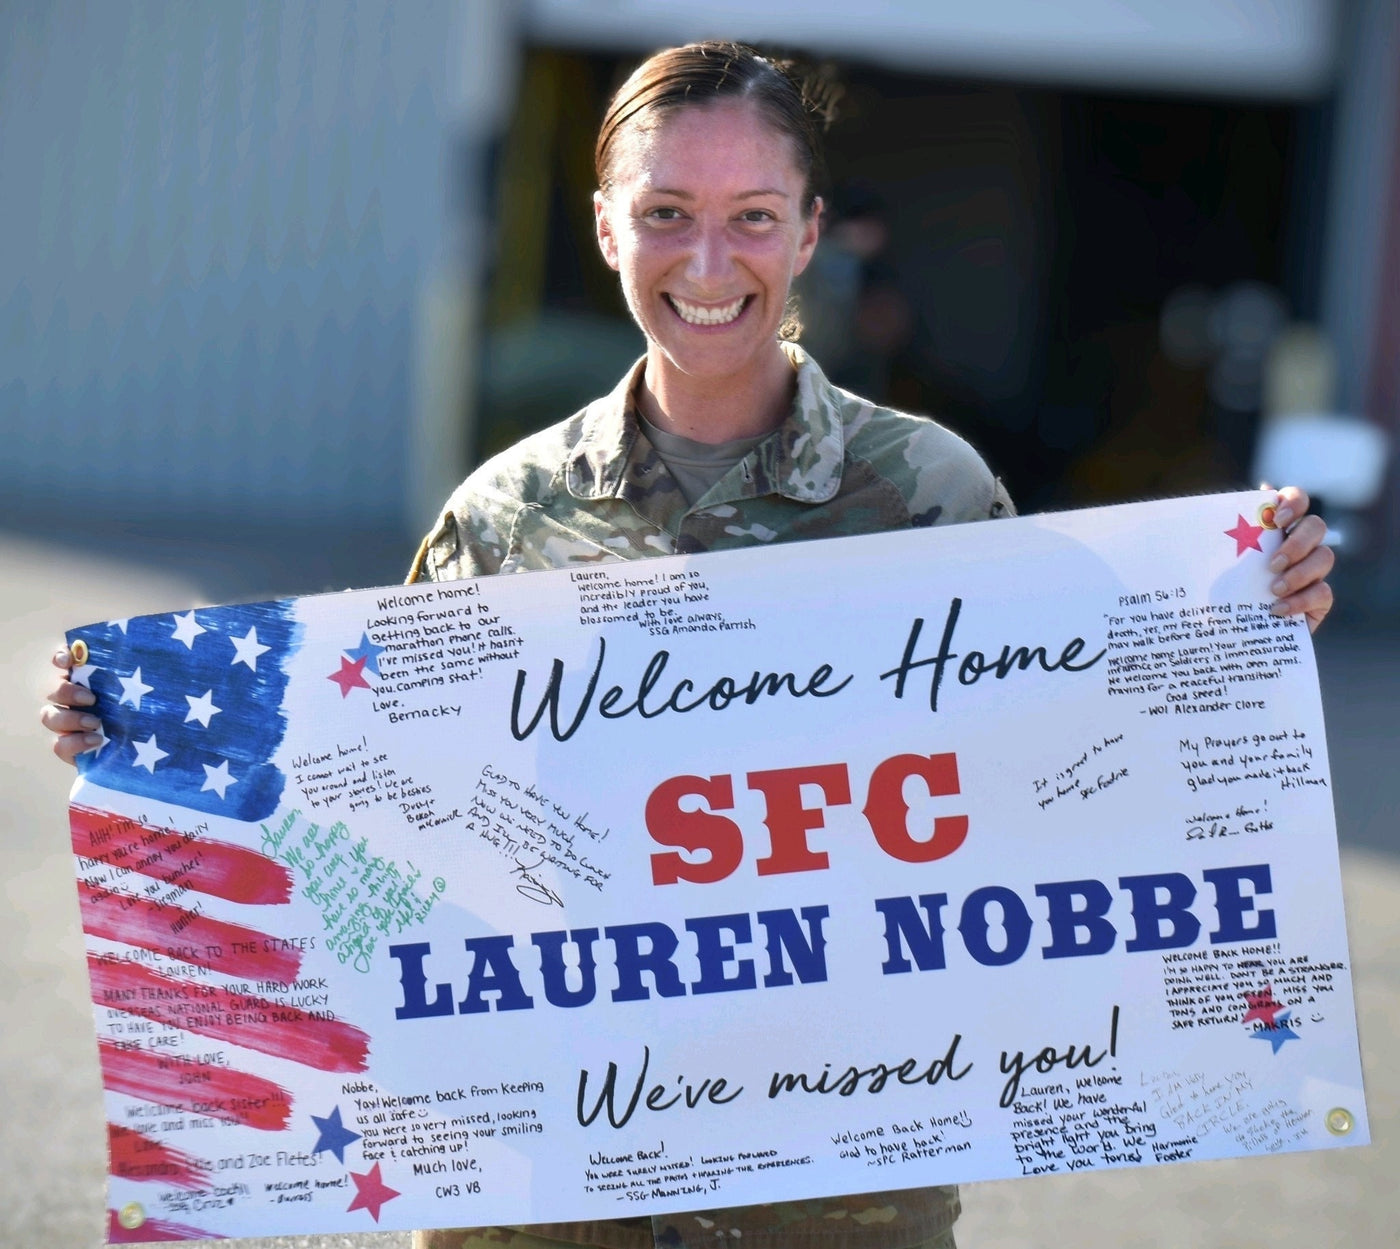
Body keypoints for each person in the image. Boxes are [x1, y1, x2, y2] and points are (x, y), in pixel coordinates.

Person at [43, 40, 1336, 1249]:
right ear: (606, 224)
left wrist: (1241, 622)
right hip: (540, 1165)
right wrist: (144, 730)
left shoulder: (930, 494)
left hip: (834, 1167)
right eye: (665, 210)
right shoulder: (503, 514)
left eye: (754, 215)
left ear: (812, 231)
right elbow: (381, 797)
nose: (708, 258)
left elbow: (1071, 758)